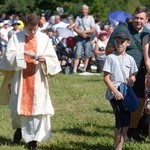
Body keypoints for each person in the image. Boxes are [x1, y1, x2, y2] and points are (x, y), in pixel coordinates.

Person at [0, 13, 61, 150]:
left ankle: (32, 140)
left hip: (37, 79)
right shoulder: (16, 38)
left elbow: (53, 59)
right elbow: (7, 58)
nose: (33, 32)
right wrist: (22, 55)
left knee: (37, 108)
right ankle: (20, 129)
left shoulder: (44, 38)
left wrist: (45, 60)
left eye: (35, 29)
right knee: (19, 108)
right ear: (25, 26)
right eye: (30, 29)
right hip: (20, 79)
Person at [105, 5, 149, 141]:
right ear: (133, 16)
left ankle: (132, 130)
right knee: (122, 103)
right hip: (122, 75)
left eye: (142, 18)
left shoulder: (146, 33)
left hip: (139, 73)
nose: (138, 21)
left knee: (139, 102)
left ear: (147, 19)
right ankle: (122, 130)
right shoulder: (122, 29)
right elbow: (108, 50)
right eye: (136, 17)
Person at [103, 30, 138, 150]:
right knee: (122, 122)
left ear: (127, 43)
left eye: (122, 42)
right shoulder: (111, 58)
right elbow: (106, 78)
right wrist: (115, 91)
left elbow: (133, 75)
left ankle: (118, 146)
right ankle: (118, 147)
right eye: (117, 41)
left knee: (125, 122)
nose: (119, 44)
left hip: (126, 93)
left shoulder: (130, 59)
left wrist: (131, 80)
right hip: (115, 95)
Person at [73, 4, 95, 74]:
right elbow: (75, 28)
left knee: (87, 54)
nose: (83, 10)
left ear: (87, 11)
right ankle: (74, 70)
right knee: (77, 53)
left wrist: (85, 32)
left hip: (87, 38)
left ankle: (84, 69)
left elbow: (93, 29)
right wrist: (80, 33)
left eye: (85, 9)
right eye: (82, 9)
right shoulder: (78, 18)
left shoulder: (91, 18)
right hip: (79, 38)